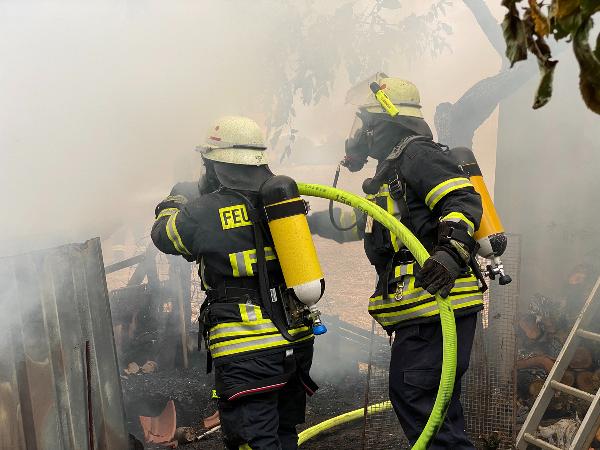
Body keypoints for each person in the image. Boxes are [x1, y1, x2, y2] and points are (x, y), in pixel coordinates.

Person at [309, 77, 484, 449]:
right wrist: (302, 221)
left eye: (363, 122)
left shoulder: (417, 155)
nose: (358, 134)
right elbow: (362, 223)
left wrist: (449, 254)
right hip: (426, 308)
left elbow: (462, 200)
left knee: (417, 397)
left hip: (436, 302)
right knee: (434, 408)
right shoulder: (393, 171)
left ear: (382, 122)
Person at [151, 116, 317, 450]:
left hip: (247, 345)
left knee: (252, 440)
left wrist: (174, 202)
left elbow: (164, 236)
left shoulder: (205, 211)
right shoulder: (278, 199)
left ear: (216, 165)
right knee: (283, 433)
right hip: (295, 341)